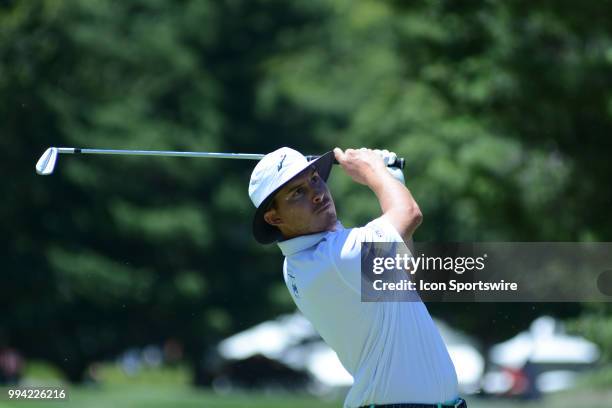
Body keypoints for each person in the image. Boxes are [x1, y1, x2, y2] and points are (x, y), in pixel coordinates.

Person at [248, 147, 465, 408]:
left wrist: (393, 179)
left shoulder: (311, 258)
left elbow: (405, 271)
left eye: (314, 179)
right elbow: (409, 213)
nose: (317, 194)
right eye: (298, 192)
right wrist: (374, 170)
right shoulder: (335, 257)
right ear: (274, 217)